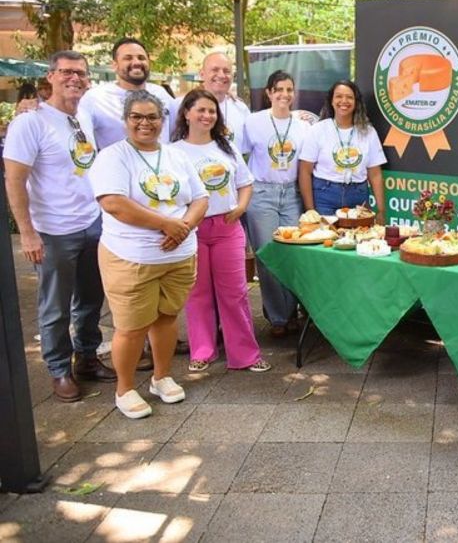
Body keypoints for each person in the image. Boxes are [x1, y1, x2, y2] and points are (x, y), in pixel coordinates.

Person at [89, 90, 208, 419]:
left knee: (167, 318)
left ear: (163, 119)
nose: (145, 123)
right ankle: (124, 388)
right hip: (131, 258)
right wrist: (168, 225)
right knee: (130, 327)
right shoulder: (113, 157)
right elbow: (113, 203)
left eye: (152, 117)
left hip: (179, 257)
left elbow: (200, 198)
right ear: (126, 121)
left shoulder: (175, 156)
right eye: (137, 117)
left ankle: (160, 377)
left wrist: (182, 226)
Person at [3, 51, 114, 402]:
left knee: (91, 300)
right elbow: (15, 180)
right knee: (55, 306)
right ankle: (58, 369)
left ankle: (86, 356)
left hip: (91, 225)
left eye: (80, 73)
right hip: (53, 231)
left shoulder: (82, 115)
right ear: (50, 77)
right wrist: (28, 232)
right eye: (66, 72)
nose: (74, 79)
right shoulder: (30, 122)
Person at [171, 89, 269, 373]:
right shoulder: (174, 151)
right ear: (186, 113)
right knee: (197, 293)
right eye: (200, 110)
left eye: (212, 111)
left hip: (227, 226)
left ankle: (245, 355)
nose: (207, 116)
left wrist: (240, 207)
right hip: (193, 230)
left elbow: (245, 181)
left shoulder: (225, 146)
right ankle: (202, 351)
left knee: (235, 292)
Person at [242, 70, 309, 337]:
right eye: (278, 89)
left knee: (292, 254)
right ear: (269, 93)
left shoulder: (304, 125)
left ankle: (292, 311)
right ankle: (278, 317)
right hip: (262, 193)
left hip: (291, 194)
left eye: (289, 90)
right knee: (268, 256)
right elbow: (240, 157)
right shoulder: (253, 122)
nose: (284, 94)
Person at [299, 80, 387, 221]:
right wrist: (310, 210)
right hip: (324, 196)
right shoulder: (318, 130)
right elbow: (305, 171)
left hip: (358, 197)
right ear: (331, 101)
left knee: (357, 239)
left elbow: (375, 174)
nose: (344, 101)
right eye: (339, 96)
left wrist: (381, 211)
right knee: (325, 239)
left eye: (349, 97)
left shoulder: (368, 132)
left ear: (356, 102)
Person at [79, 37, 175, 150]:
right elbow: (84, 140)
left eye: (141, 58)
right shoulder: (94, 98)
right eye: (128, 58)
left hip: (161, 165)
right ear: (114, 65)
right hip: (117, 165)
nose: (136, 62)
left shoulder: (161, 93)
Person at [171, 52, 250, 153]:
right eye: (215, 70)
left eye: (226, 71)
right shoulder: (179, 105)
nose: (221, 75)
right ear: (202, 74)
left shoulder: (240, 108)